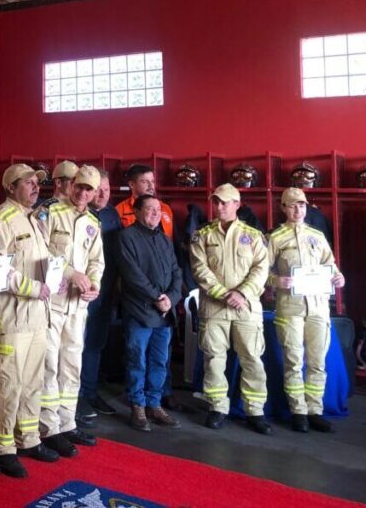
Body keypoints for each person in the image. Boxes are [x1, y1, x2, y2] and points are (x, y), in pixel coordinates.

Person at [0, 164, 59, 479]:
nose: (35, 187)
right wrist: (33, 288)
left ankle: (26, 438)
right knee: (7, 385)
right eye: (28, 183)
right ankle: (2, 447)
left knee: (31, 383)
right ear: (11, 187)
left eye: (36, 183)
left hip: (37, 317)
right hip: (11, 317)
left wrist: (57, 280)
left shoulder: (34, 218)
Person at [189, 184, 271, 435]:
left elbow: (261, 269)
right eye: (216, 202)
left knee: (252, 359)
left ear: (237, 204)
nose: (219, 206)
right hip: (215, 307)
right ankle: (217, 407)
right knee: (214, 359)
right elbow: (199, 269)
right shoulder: (202, 235)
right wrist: (224, 294)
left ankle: (254, 410)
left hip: (246, 308)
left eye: (225, 202)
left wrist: (242, 293)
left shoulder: (253, 235)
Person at [38, 165, 104, 457]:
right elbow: (41, 253)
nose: (82, 193)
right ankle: (48, 428)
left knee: (71, 364)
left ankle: (67, 423)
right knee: (50, 364)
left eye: (89, 190)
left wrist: (94, 285)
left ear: (94, 194)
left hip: (78, 305)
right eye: (79, 186)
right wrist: (71, 273)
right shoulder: (50, 212)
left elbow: (96, 260)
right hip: (52, 302)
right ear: (70, 185)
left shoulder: (92, 222)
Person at [268, 187, 345, 433]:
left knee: (317, 362)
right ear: (283, 208)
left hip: (319, 308)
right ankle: (298, 411)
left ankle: (315, 410)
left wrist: (338, 277)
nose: (298, 209)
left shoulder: (317, 236)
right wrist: (276, 282)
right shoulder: (276, 238)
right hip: (290, 308)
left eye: (301, 205)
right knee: (293, 361)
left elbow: (330, 265)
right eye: (292, 205)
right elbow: (261, 272)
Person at [114, 163, 183, 413]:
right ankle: (138, 406)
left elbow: (177, 272)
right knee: (137, 361)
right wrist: (157, 297)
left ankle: (155, 403)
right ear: (137, 211)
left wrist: (171, 299)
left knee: (159, 361)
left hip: (164, 313)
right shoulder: (126, 237)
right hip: (141, 310)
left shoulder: (164, 239)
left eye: (158, 209)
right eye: (149, 209)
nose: (155, 213)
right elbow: (133, 275)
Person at [76, 168, 121, 425]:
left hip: (105, 292)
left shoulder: (112, 215)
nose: (102, 194)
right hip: (81, 293)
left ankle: (90, 392)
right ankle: (76, 397)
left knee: (94, 344)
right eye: (98, 189)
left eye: (107, 190)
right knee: (74, 346)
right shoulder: (78, 215)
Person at [115, 164, 174, 238]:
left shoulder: (165, 208)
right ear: (132, 184)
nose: (151, 186)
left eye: (152, 181)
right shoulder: (120, 210)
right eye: (144, 182)